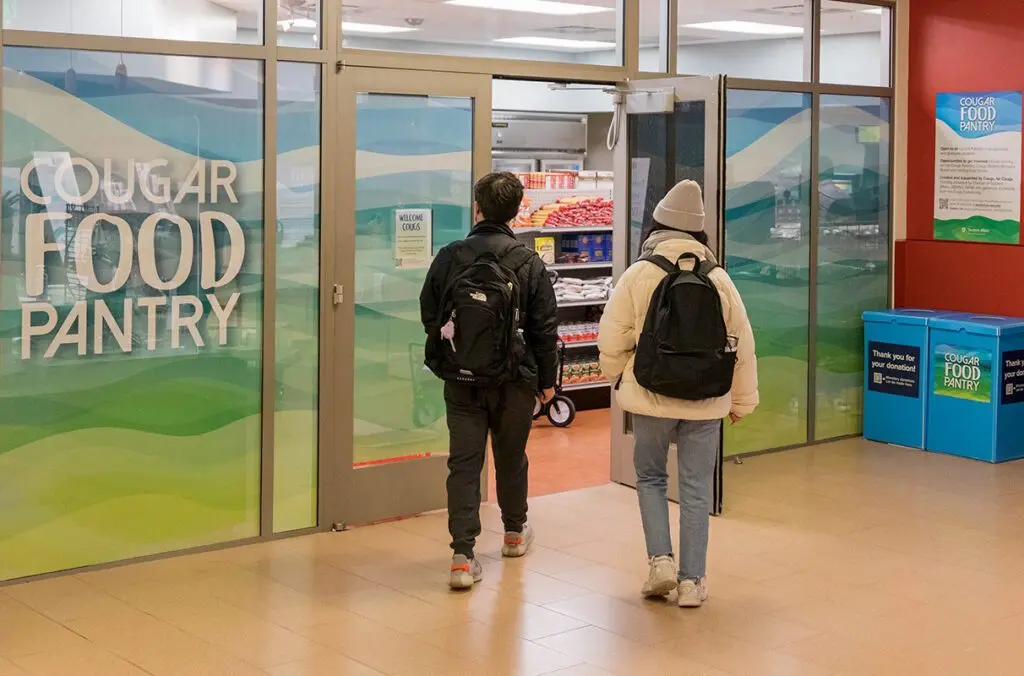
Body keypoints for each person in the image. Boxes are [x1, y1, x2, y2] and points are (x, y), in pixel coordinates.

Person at [598, 179, 758, 607]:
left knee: (650, 477)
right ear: (699, 234)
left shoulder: (638, 274)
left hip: (651, 393)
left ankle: (660, 563)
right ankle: (692, 582)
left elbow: (611, 339)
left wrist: (618, 376)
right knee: (695, 488)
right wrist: (742, 401)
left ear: (657, 226)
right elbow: (742, 342)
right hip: (706, 399)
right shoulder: (719, 278)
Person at [420, 172, 559, 590]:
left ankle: (463, 556)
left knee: (464, 463)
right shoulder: (528, 262)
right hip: (515, 379)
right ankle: (514, 534)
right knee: (511, 455)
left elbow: (430, 312)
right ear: (516, 211)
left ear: (477, 208)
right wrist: (548, 382)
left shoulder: (450, 256)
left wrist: (457, 345)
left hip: (461, 379)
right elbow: (544, 328)